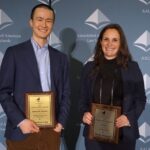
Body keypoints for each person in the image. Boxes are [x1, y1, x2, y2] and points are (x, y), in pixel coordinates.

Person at [0, 4, 70, 150]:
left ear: (53, 24)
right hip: (22, 131)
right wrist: (21, 121)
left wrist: (61, 123)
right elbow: (3, 92)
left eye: (48, 20)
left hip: (51, 132)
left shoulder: (61, 58)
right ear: (31, 22)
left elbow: (66, 94)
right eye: (39, 19)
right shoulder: (14, 53)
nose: (44, 24)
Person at [79, 23, 146, 150]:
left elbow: (141, 99)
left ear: (121, 43)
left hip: (123, 134)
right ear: (100, 42)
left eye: (115, 40)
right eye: (106, 39)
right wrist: (84, 113)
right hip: (95, 134)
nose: (110, 44)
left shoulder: (132, 68)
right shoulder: (89, 68)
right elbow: (82, 99)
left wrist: (129, 117)